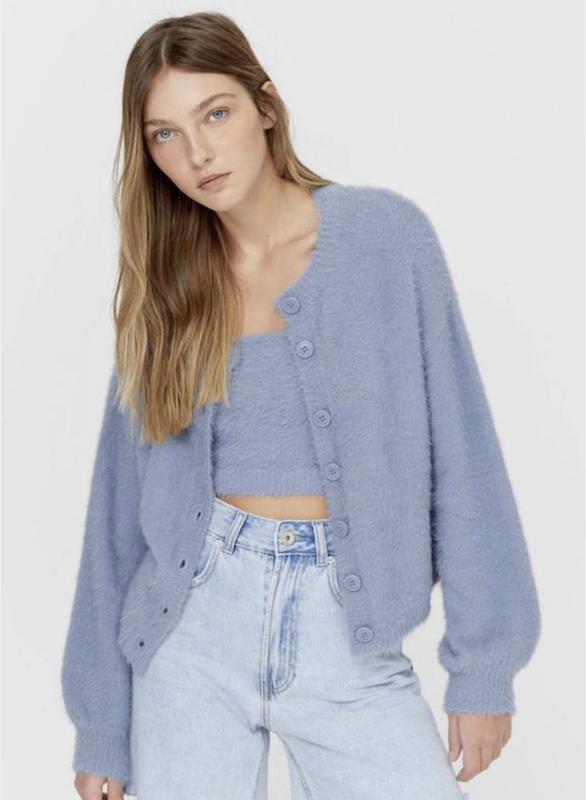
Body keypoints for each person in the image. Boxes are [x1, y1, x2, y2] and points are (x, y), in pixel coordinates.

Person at [60, 11, 541, 800]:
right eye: (165, 134)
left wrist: (484, 666)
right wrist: (102, 728)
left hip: (347, 637)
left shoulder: (385, 239)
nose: (197, 153)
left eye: (215, 113)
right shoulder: (167, 288)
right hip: (191, 635)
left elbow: (465, 455)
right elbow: (115, 521)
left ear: (266, 106)